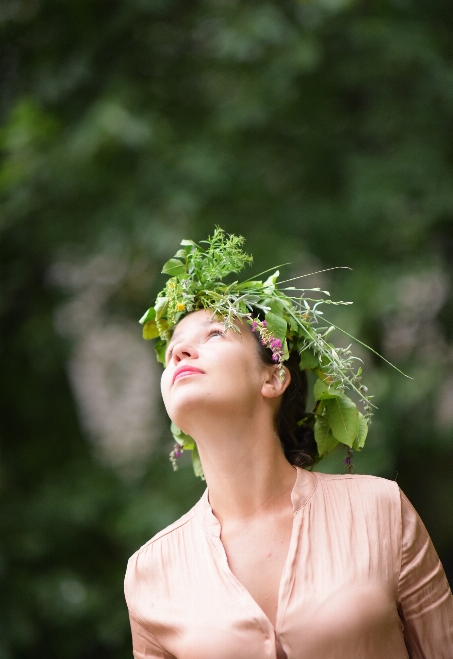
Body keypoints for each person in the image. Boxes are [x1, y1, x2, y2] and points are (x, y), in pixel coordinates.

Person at [124, 229, 453, 659]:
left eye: (214, 334)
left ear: (273, 377)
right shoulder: (150, 573)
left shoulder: (381, 509)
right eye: (172, 351)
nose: (181, 353)